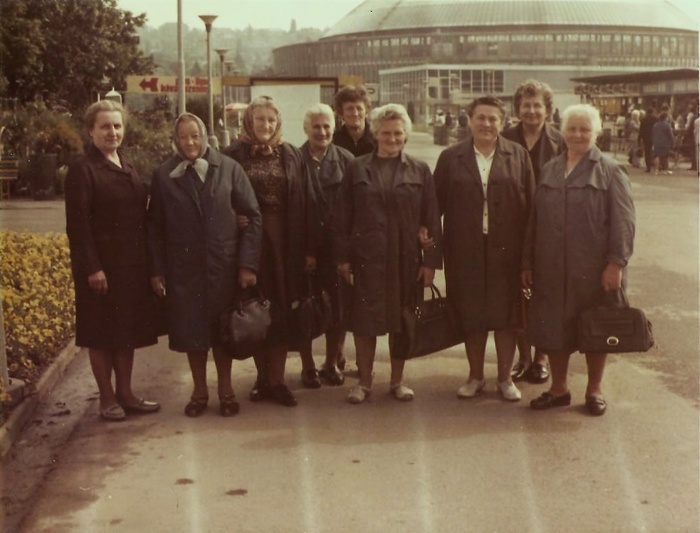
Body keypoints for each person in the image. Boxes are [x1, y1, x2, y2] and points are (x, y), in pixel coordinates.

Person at [523, 103, 635, 416]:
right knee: (553, 328)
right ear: (563, 131)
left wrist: (616, 263)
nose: (578, 134)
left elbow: (624, 221)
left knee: (596, 327)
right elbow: (535, 219)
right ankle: (558, 389)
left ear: (596, 133)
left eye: (585, 129)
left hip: (594, 269)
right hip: (551, 267)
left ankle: (594, 389)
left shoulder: (611, 170)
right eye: (572, 128)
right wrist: (527, 262)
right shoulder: (550, 169)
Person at [148, 113, 262, 417]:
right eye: (183, 137)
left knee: (224, 332)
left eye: (195, 136)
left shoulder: (229, 168)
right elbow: (154, 226)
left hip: (223, 267)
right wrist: (157, 270)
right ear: (175, 140)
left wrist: (247, 264)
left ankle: (226, 391)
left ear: (204, 137)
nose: (190, 143)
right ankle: (199, 392)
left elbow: (253, 217)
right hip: (183, 270)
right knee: (192, 333)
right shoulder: (164, 174)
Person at [333, 103, 442, 404]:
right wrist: (342, 258)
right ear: (375, 134)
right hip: (366, 259)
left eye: (397, 133)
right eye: (385, 133)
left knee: (402, 321)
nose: (392, 139)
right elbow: (342, 216)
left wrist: (430, 263)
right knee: (363, 323)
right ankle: (364, 381)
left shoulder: (419, 169)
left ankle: (397, 380)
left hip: (405, 260)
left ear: (405, 135)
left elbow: (432, 219)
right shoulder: (357, 168)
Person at [434, 96, 535, 402]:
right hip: (465, 252)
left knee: (506, 318)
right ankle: (475, 376)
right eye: (481, 117)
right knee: (472, 316)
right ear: (469, 120)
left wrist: (528, 259)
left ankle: (505, 379)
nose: (487, 124)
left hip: (507, 251)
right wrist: (431, 252)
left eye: (493, 119)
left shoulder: (518, 155)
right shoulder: (451, 157)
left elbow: (532, 210)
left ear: (503, 123)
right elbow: (434, 208)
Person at [65, 100, 160, 422]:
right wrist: (92, 268)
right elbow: (78, 226)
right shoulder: (83, 170)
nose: (112, 132)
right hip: (101, 269)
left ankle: (126, 393)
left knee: (125, 332)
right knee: (101, 334)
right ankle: (107, 398)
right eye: (105, 126)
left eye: (117, 126)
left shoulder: (126, 165)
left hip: (129, 266)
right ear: (90, 131)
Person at [223, 96, 317, 407]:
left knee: (281, 311)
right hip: (249, 244)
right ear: (249, 122)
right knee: (256, 311)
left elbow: (306, 201)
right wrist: (232, 217)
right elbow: (220, 197)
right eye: (259, 119)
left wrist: (308, 249)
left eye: (271, 120)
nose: (266, 125)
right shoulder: (232, 155)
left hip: (285, 243)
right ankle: (261, 378)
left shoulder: (290, 154)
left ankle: (277, 380)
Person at [501, 79, 565, 386]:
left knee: (545, 294)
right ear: (517, 109)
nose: (531, 111)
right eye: (525, 105)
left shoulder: (560, 141)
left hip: (548, 227)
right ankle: (523, 357)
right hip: (511, 226)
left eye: (537, 105)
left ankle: (541, 358)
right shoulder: (504, 138)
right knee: (516, 294)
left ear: (547, 110)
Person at [297, 104, 354, 387]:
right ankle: (307, 365)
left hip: (336, 249)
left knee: (338, 309)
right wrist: (304, 251)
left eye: (326, 126)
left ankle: (331, 363)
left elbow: (355, 207)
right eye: (316, 126)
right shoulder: (293, 159)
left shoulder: (346, 160)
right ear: (306, 129)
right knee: (303, 308)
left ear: (334, 127)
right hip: (303, 247)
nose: (321, 132)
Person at [332, 85, 375, 157]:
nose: (355, 113)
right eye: (350, 109)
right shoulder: (334, 142)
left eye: (359, 108)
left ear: (366, 111)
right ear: (341, 113)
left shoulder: (378, 139)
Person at [652, 110, 675, 175]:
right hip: (665, 143)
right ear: (665, 118)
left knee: (657, 156)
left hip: (657, 142)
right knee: (665, 157)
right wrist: (673, 141)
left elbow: (653, 133)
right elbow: (670, 134)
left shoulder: (655, 125)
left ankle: (656, 170)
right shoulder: (667, 125)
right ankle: (666, 170)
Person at [640, 107, 657, 173]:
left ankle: (648, 167)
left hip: (646, 137)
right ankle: (656, 165)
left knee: (647, 152)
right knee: (655, 151)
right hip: (654, 136)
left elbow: (641, 130)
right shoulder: (656, 119)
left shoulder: (643, 119)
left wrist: (640, 138)